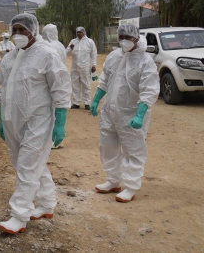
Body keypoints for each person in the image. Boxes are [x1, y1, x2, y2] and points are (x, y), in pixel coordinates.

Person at [0, 13, 71, 234]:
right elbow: (3, 89)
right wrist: (1, 118)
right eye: (15, 30)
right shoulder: (9, 58)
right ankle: (47, 203)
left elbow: (61, 87)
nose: (18, 34)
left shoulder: (46, 55)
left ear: (33, 31)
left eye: (22, 30)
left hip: (39, 120)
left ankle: (19, 215)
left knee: (28, 165)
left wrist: (60, 121)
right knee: (28, 163)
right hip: (12, 120)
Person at [89, 23, 159, 203]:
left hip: (131, 114)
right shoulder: (114, 56)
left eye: (128, 37)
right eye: (122, 37)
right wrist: (96, 99)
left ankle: (131, 186)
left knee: (133, 149)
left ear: (136, 38)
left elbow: (149, 90)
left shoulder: (145, 61)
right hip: (110, 112)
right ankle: (113, 180)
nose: (125, 41)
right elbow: (105, 80)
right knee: (107, 145)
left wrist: (140, 114)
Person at [66, 26, 97, 109]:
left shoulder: (89, 42)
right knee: (75, 85)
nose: (79, 34)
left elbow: (93, 54)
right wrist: (70, 49)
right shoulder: (73, 42)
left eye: (80, 32)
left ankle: (87, 103)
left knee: (86, 85)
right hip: (74, 67)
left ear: (84, 33)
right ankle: (76, 103)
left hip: (85, 67)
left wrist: (93, 65)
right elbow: (67, 54)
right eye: (77, 32)